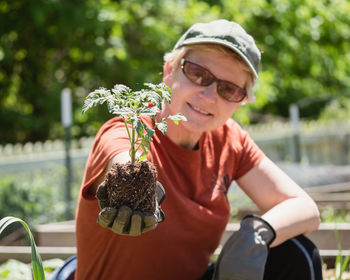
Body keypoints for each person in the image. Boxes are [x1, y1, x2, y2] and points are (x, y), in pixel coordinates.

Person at [75, 19, 322, 280]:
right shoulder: (132, 127)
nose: (209, 95)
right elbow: (121, 155)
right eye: (198, 74)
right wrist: (129, 181)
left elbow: (305, 208)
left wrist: (257, 233)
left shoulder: (228, 140)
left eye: (229, 89)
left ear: (242, 102)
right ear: (170, 69)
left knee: (294, 253)